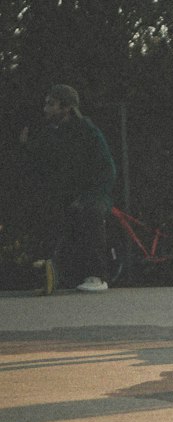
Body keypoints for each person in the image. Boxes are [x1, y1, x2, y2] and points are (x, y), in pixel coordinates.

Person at [19, 84, 117, 292]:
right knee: (50, 213)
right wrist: (25, 147)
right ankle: (53, 275)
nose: (45, 109)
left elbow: (107, 169)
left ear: (66, 108)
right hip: (66, 195)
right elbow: (39, 166)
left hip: (94, 193)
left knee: (89, 212)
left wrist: (89, 196)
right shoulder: (50, 134)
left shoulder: (88, 132)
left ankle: (97, 276)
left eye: (51, 104)